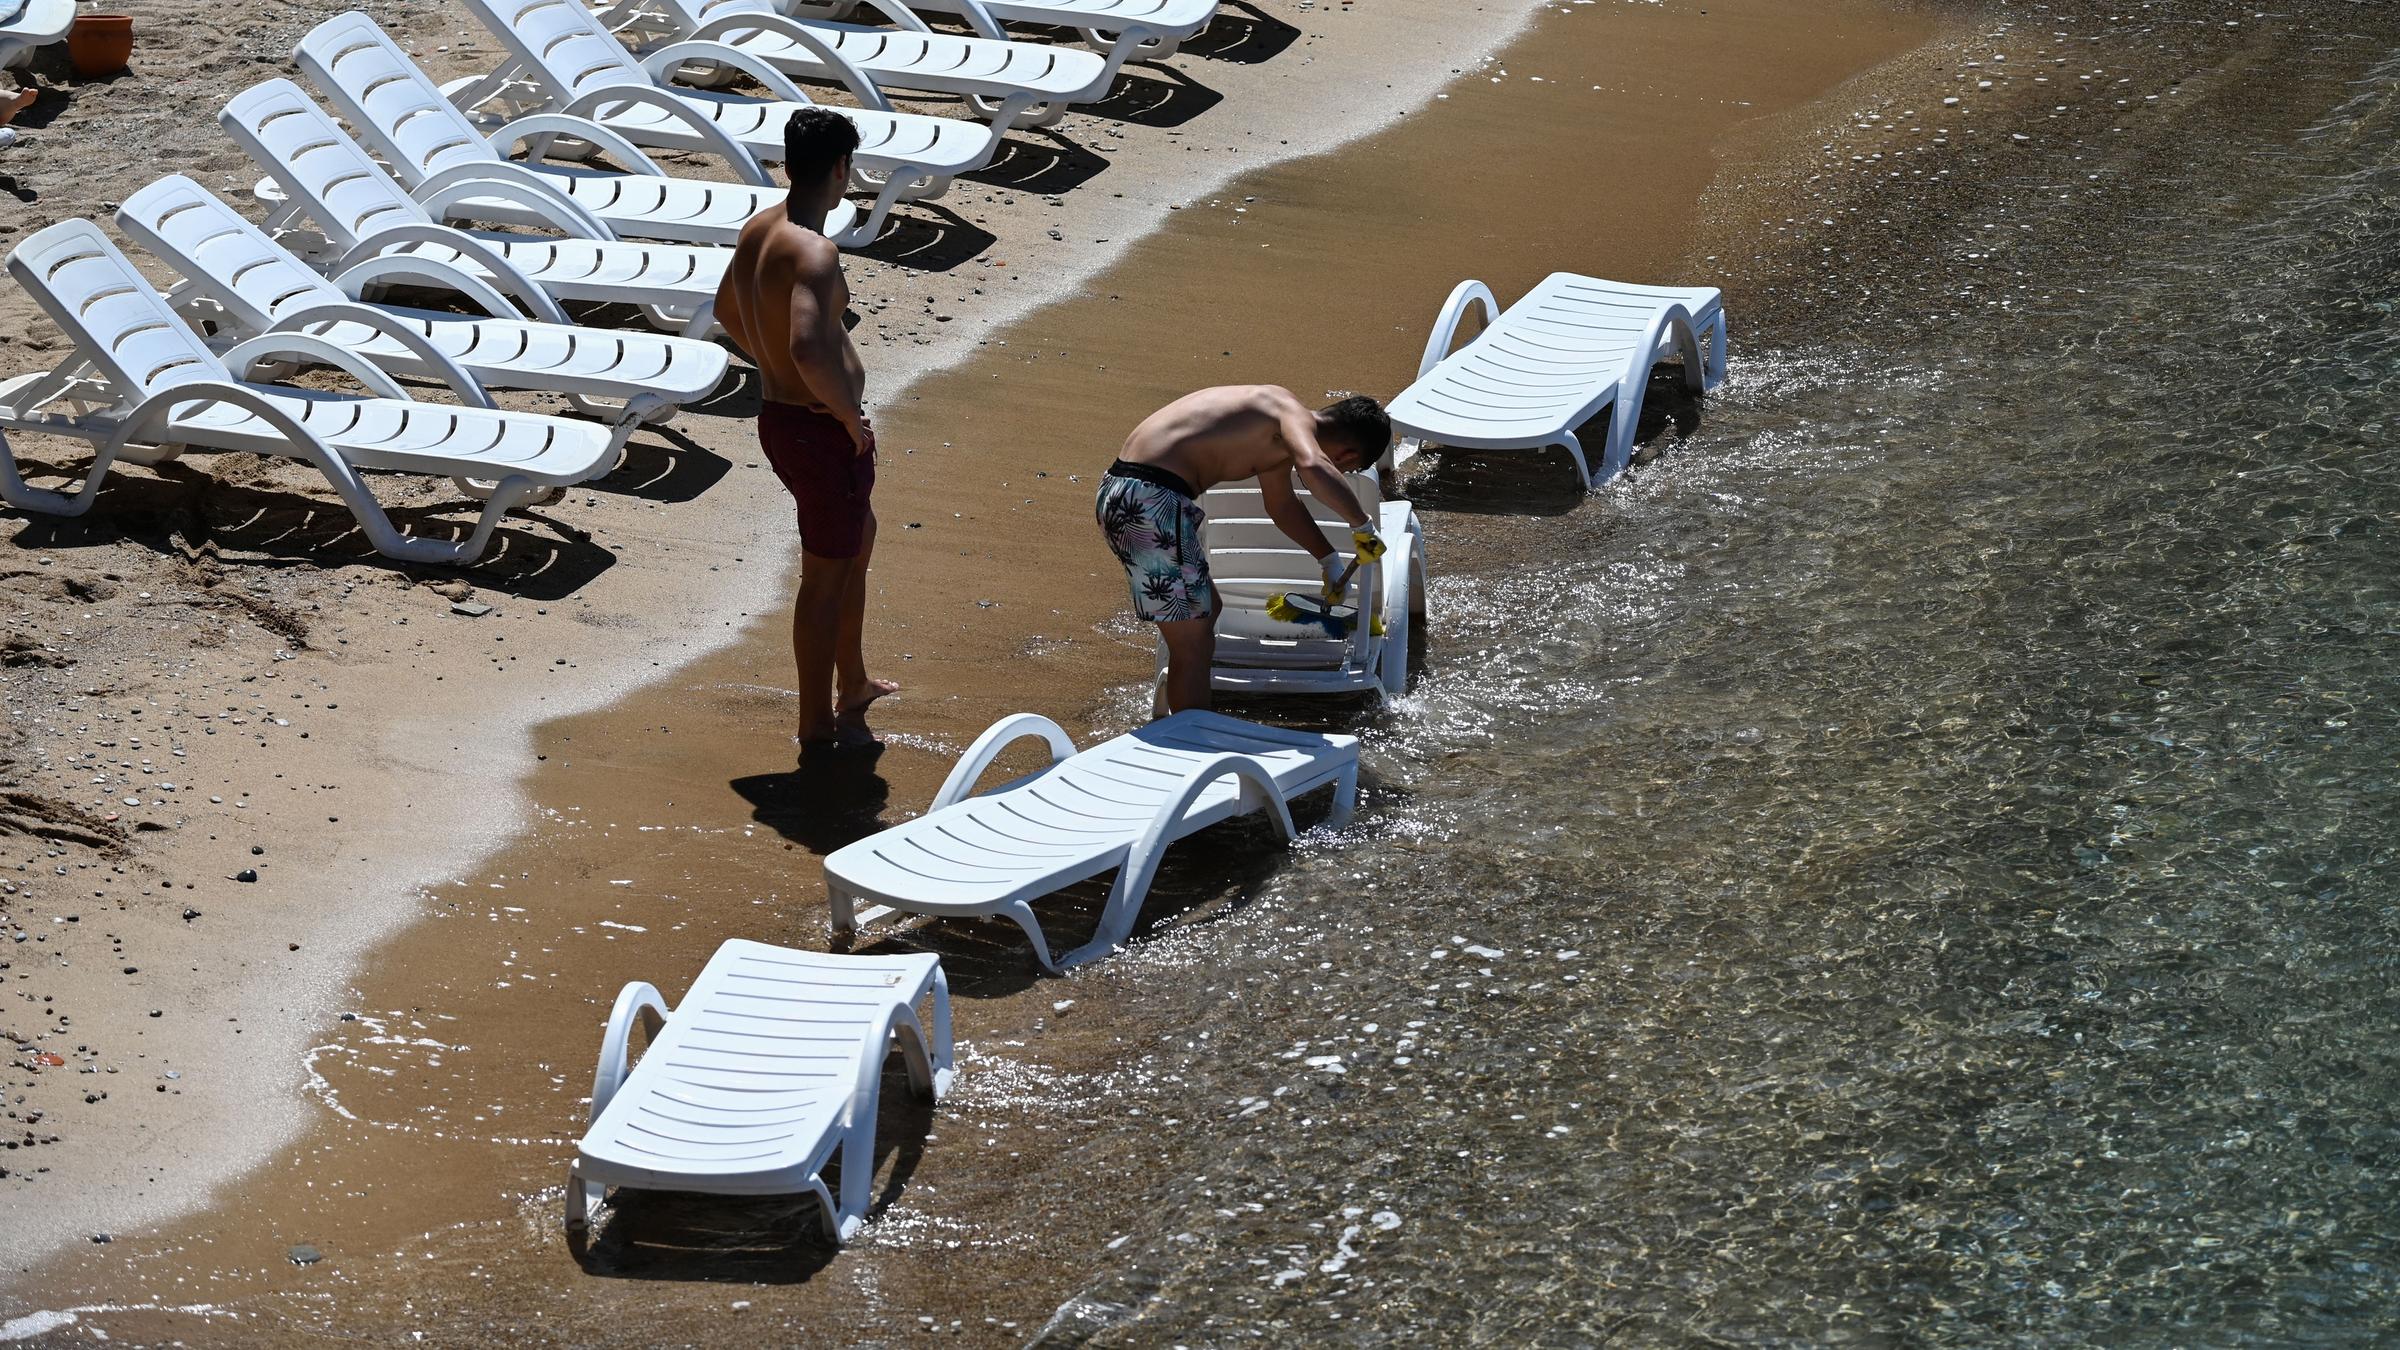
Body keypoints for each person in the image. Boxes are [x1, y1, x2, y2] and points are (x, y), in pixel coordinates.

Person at [715, 108, 897, 748]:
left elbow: (724, 309)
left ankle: (854, 681)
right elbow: (810, 348)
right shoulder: (815, 252)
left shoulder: (760, 229)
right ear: (843, 170)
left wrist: (771, 364)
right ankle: (816, 722)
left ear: (790, 165)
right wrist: (845, 414)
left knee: (857, 541)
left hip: (784, 421)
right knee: (825, 576)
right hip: (817, 433)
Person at [1097, 386, 1391, 715]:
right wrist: (1362, 526)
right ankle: (1192, 741)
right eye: (1348, 471)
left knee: (1204, 619)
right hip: (1149, 499)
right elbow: (1313, 464)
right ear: (1347, 457)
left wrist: (1329, 560)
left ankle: (1184, 725)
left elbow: (1281, 506)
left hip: (1127, 491)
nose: (1343, 473)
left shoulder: (1275, 434)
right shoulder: (1288, 409)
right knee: (1193, 644)